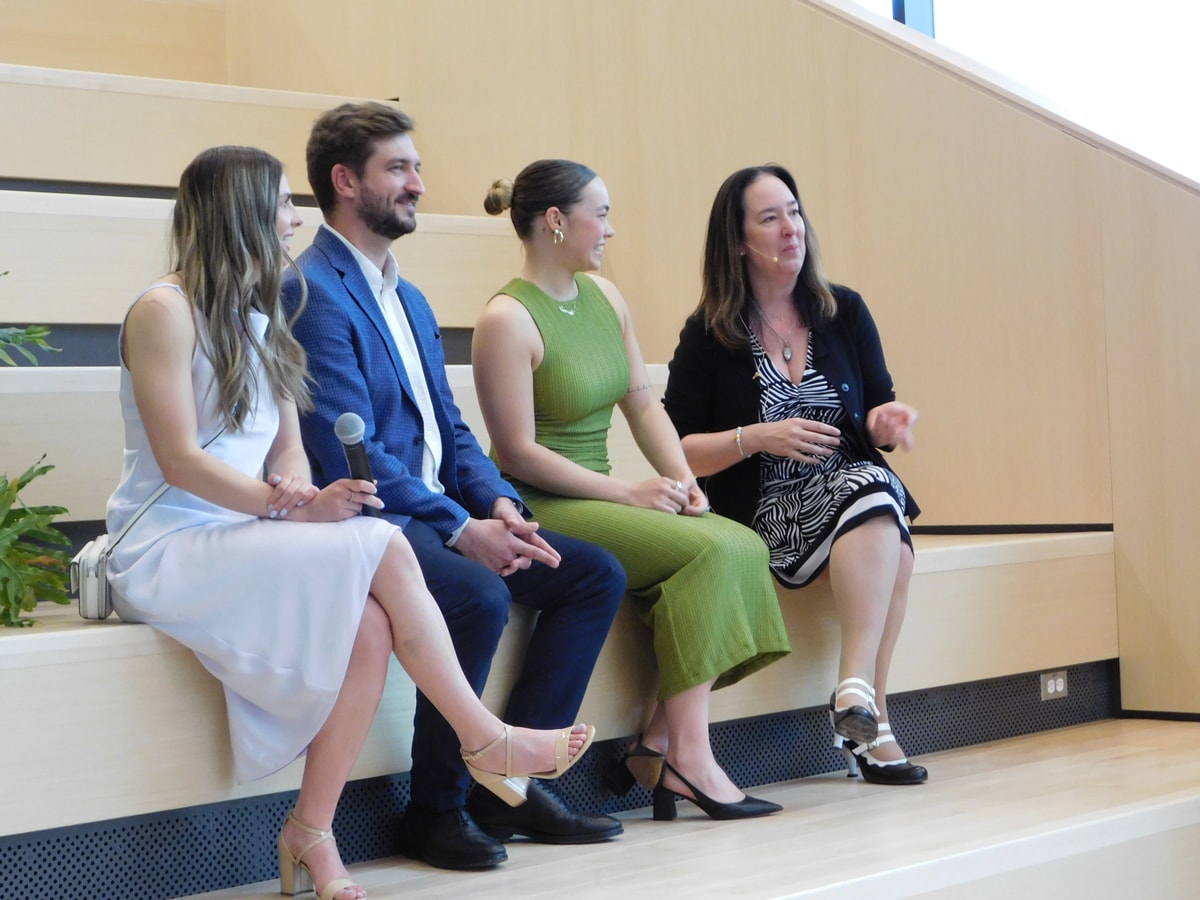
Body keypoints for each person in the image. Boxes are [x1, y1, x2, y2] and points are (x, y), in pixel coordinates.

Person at [105, 146, 596, 900]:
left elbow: (288, 448)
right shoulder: (162, 313)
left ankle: (312, 831)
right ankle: (485, 739)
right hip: (171, 539)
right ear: (240, 211)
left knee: (369, 625)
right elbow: (180, 462)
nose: (293, 219)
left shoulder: (261, 316)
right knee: (382, 542)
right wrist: (289, 508)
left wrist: (301, 493)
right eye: (279, 205)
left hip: (245, 530)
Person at [282, 104, 626, 871]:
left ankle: (505, 786)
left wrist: (498, 502)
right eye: (398, 168)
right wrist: (459, 525)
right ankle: (434, 810)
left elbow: (453, 430)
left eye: (417, 167)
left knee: (590, 574)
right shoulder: (311, 291)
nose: (418, 184)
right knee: (476, 593)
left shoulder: (407, 296)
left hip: (440, 506)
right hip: (375, 516)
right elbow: (351, 451)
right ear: (345, 181)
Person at [473, 159, 790, 823]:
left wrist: (682, 480)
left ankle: (663, 741)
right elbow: (521, 454)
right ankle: (686, 758)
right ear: (557, 222)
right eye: (602, 214)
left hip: (602, 495)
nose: (611, 230)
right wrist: (626, 494)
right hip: (548, 501)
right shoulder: (506, 319)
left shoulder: (607, 299)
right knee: (714, 554)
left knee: (736, 542)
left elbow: (644, 406)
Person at [663, 164, 927, 785]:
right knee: (883, 506)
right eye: (770, 217)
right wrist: (757, 437)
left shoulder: (844, 311)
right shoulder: (708, 333)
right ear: (737, 242)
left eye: (795, 211)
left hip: (848, 492)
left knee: (878, 496)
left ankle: (859, 697)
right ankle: (869, 711)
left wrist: (887, 423)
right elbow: (674, 450)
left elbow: (875, 412)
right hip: (761, 506)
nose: (791, 228)